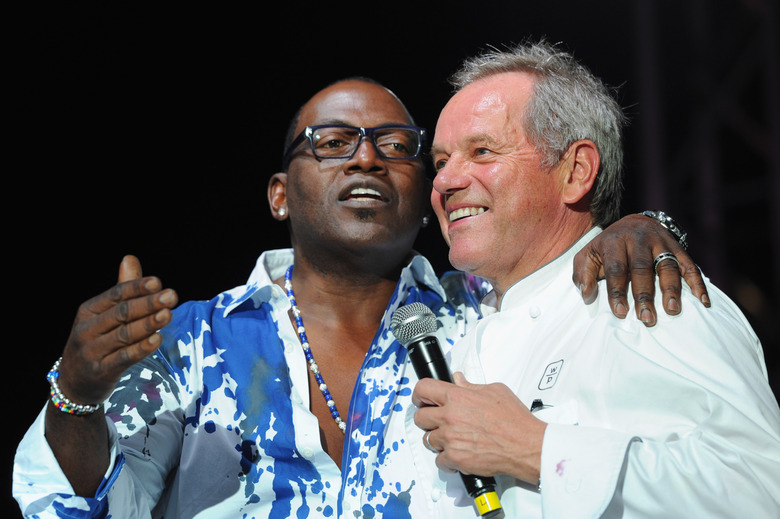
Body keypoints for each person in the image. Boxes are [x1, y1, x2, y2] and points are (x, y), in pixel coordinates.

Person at [13, 76, 706, 518]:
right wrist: (76, 393)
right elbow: (84, 504)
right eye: (334, 141)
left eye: (398, 145)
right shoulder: (192, 340)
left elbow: (560, 257)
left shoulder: (484, 314)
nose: (367, 158)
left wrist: (638, 226)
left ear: (426, 193)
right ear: (280, 195)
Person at [410, 41, 780, 517]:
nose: (444, 182)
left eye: (482, 151)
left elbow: (761, 490)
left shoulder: (645, 296)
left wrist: (536, 448)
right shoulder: (445, 327)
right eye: (440, 163)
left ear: (576, 172)